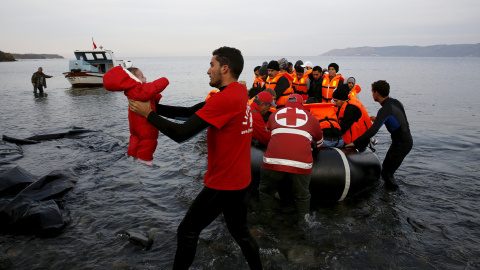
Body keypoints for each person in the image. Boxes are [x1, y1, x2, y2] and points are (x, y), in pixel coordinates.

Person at [128, 46, 262, 269]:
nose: (208, 71)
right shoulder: (238, 93)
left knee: (187, 230)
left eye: (212, 65)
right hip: (240, 179)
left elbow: (181, 134)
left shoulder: (225, 100)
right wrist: (153, 106)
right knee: (240, 232)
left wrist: (148, 115)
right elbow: (190, 112)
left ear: (225, 68)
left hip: (225, 182)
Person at [259, 94, 323, 222]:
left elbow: (270, 134)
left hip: (272, 161)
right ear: (302, 104)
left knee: (266, 191)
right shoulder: (311, 118)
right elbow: (319, 143)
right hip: (301, 164)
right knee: (302, 195)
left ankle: (265, 218)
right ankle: (304, 223)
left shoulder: (274, 115)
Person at [345, 80, 413, 190]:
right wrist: (378, 120)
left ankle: (395, 197)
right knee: (387, 170)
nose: (372, 94)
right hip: (405, 140)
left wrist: (354, 143)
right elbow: (399, 119)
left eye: (372, 92)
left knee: (387, 173)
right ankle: (389, 195)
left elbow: (372, 131)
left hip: (401, 144)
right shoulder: (395, 102)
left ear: (377, 93)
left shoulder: (384, 110)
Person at [103, 66, 169, 166]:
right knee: (149, 138)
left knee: (135, 137)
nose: (145, 78)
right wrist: (164, 80)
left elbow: (149, 98)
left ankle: (133, 153)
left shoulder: (131, 91)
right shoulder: (138, 90)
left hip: (134, 123)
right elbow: (153, 88)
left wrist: (156, 96)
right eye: (142, 77)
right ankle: (145, 158)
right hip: (143, 123)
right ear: (133, 79)